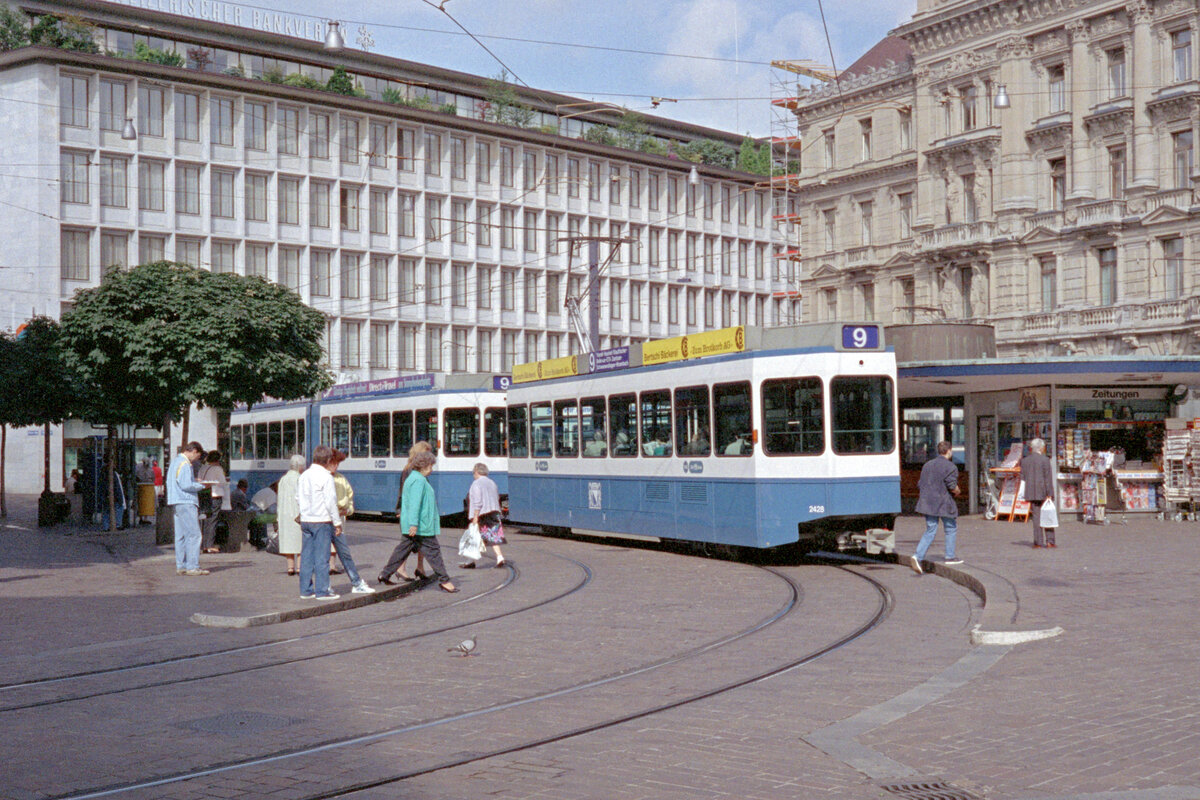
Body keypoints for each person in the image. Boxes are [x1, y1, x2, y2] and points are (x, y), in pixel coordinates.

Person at [378, 451, 457, 592]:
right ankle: (444, 580)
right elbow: (415, 504)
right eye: (431, 466)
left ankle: (385, 574)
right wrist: (414, 524)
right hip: (421, 526)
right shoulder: (418, 480)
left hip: (416, 524)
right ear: (424, 466)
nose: (432, 469)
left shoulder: (414, 478)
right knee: (434, 552)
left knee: (402, 550)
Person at [377, 442, 431, 583]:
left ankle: (419, 568)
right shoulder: (410, 470)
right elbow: (405, 492)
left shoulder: (419, 469)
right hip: (410, 513)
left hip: (417, 513)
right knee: (408, 542)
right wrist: (401, 510)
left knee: (416, 541)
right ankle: (397, 570)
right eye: (427, 453)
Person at [908, 440, 962, 575]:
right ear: (949, 451)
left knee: (930, 530)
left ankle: (917, 556)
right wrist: (958, 491)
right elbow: (952, 485)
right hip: (943, 503)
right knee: (950, 528)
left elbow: (920, 484)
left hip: (927, 502)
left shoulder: (927, 465)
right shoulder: (950, 467)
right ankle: (950, 556)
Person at [296, 445, 342, 600]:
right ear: (328, 460)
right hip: (322, 520)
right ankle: (322, 590)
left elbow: (298, 498)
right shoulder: (326, 477)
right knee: (322, 557)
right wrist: (337, 522)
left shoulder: (304, 475)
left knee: (307, 556)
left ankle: (306, 590)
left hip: (306, 520)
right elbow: (330, 502)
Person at [327, 450, 375, 593]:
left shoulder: (341, 479)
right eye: (334, 463)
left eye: (337, 464)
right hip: (324, 521)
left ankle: (356, 583)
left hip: (338, 522)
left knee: (345, 553)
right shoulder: (323, 479)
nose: (336, 467)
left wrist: (347, 510)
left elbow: (350, 499)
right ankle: (325, 586)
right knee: (322, 555)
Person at [167, 442, 209, 576]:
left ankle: (182, 565)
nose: (196, 459)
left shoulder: (175, 462)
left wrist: (193, 480)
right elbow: (186, 485)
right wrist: (202, 486)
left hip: (176, 501)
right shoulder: (185, 464)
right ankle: (192, 566)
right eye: (197, 456)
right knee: (194, 534)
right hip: (186, 501)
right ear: (194, 451)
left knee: (181, 536)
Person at [461, 463, 507, 569]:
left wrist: (475, 516)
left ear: (477, 472)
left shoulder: (476, 484)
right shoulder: (492, 482)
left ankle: (470, 561)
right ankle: (499, 557)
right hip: (493, 511)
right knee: (493, 535)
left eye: (473, 473)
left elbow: (477, 501)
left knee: (474, 536)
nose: (473, 475)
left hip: (482, 513)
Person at [1021, 437, 1056, 548]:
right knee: (1048, 514)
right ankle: (1050, 541)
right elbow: (1048, 478)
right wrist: (1050, 493)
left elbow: (1023, 477)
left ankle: (1038, 542)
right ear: (1041, 447)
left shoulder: (1025, 461)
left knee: (1036, 517)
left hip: (1031, 492)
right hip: (1044, 492)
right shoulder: (1045, 460)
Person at [275, 458, 303, 574]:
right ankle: (299, 567)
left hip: (284, 514)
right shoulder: (299, 478)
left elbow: (279, 498)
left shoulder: (283, 479)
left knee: (288, 542)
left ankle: (290, 567)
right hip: (297, 514)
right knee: (300, 543)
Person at [198, 450, 227, 554]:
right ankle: (210, 545)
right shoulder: (217, 469)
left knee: (204, 520)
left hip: (204, 495)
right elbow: (223, 482)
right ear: (218, 459)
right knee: (213, 520)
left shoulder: (203, 468)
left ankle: (202, 545)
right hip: (215, 495)